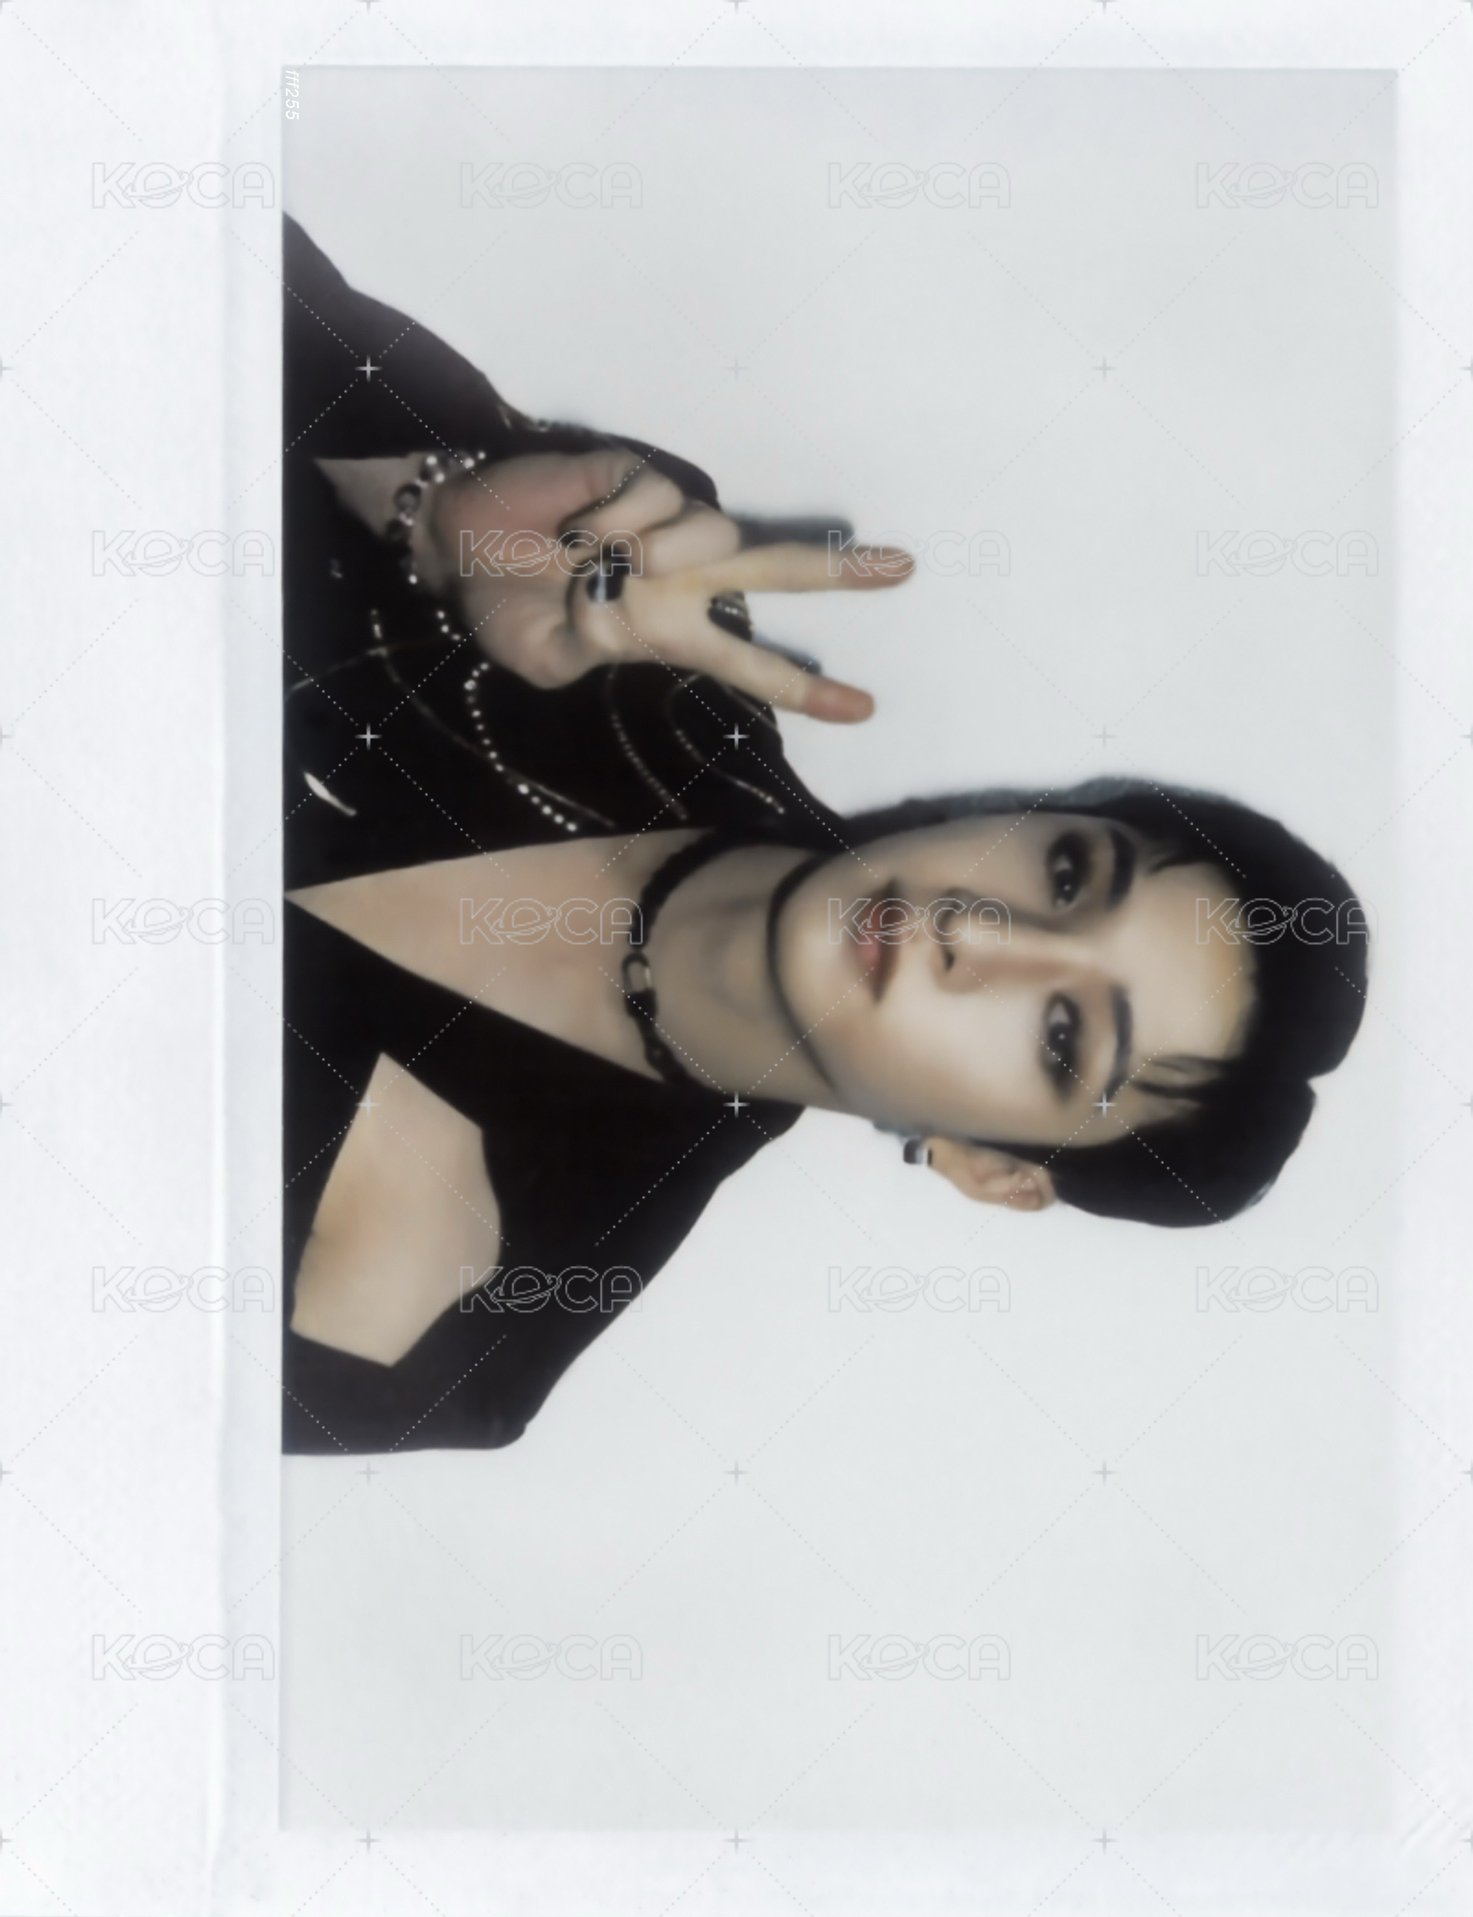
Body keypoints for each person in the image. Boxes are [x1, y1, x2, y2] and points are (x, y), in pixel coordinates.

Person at [280, 217, 1368, 1455]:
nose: (983, 934)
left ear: (991, 1169)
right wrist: (429, 512)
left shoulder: (454, 1325)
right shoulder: (639, 583)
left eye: (1065, 1033)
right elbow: (190, 247)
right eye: (1068, 876)